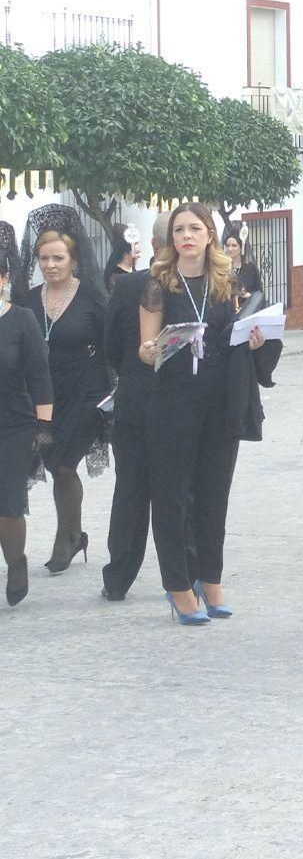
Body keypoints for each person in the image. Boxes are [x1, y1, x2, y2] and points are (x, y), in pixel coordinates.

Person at [139, 203, 262, 626]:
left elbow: (240, 335)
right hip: (173, 402)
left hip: (219, 400)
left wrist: (256, 339)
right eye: (179, 230)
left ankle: (210, 579)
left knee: (214, 494)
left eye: (195, 228)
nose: (186, 236)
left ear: (209, 234)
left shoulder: (227, 283)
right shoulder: (159, 283)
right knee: (172, 496)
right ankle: (177, 584)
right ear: (171, 239)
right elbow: (144, 346)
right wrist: (151, 349)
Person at [19, 205, 111, 574]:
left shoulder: (91, 299)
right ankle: (75, 533)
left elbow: (109, 350)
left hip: (84, 393)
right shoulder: (27, 300)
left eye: (58, 257)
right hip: (43, 395)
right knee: (53, 462)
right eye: (43, 258)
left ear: (74, 259)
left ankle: (67, 538)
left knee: (63, 464)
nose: (50, 264)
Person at [100, 212, 167, 600]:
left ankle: (118, 577)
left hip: (135, 399)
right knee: (169, 492)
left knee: (130, 492)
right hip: (149, 404)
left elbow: (110, 349)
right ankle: (184, 576)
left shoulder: (126, 287)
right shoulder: (135, 287)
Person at [0, 223, 54, 607]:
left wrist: (44, 427)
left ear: (4, 277)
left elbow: (40, 376)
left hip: (13, 424)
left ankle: (15, 560)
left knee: (7, 504)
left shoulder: (21, 320)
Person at [222, 225, 264, 298]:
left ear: (241, 248)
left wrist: (250, 296)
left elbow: (259, 294)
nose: (230, 249)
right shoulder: (221, 267)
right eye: (227, 245)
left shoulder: (250, 268)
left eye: (234, 246)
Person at [101, 225, 141, 293]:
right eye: (136, 253)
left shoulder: (134, 272)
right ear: (125, 253)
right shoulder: (115, 279)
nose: (139, 256)